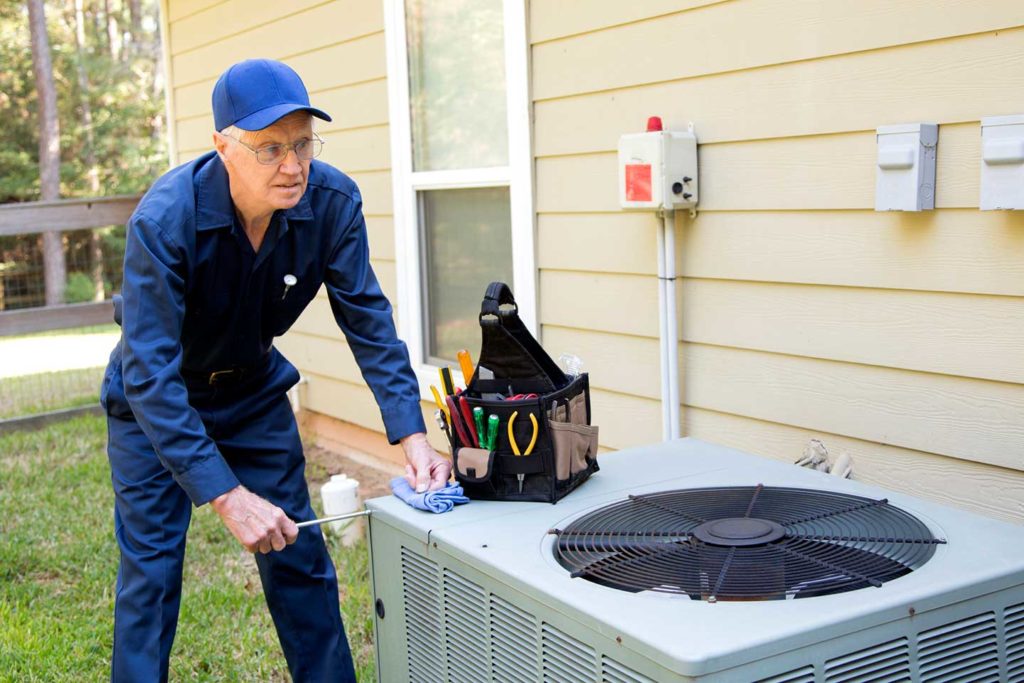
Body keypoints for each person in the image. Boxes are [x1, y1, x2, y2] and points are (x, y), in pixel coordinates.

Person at [100, 58, 451, 682]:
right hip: (155, 400)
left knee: (298, 558)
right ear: (222, 147)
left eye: (302, 144)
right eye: (268, 149)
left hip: (252, 392)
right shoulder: (163, 222)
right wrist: (227, 497)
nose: (292, 166)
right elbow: (149, 375)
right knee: (150, 577)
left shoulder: (333, 203)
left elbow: (367, 319)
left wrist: (412, 434)